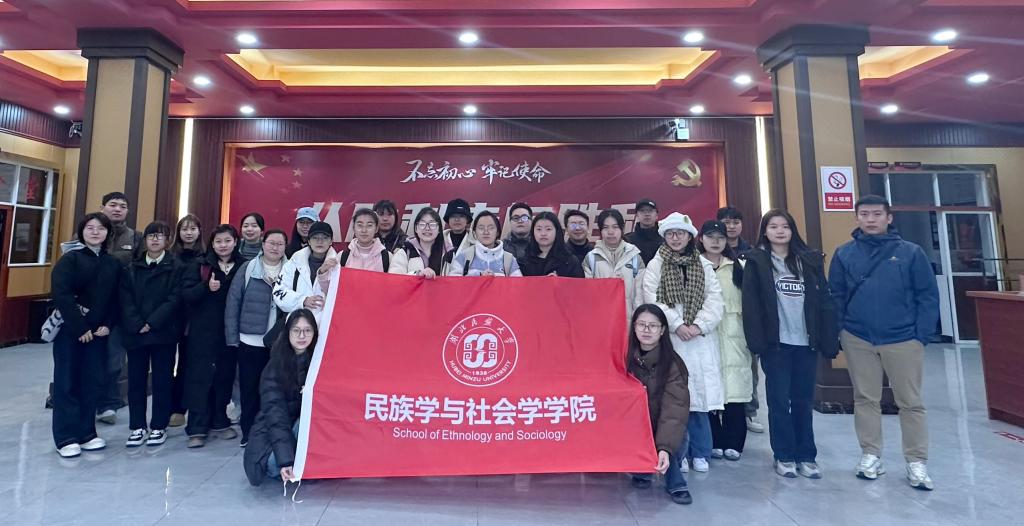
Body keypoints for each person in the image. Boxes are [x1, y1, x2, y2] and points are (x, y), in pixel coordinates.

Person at [828, 195, 939, 490]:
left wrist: (921, 335)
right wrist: (839, 331)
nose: (870, 219)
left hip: (903, 338)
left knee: (910, 402)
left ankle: (916, 461)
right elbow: (836, 295)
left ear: (889, 218)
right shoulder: (844, 254)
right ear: (857, 218)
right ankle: (870, 454)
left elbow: (927, 295)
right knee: (865, 398)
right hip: (858, 337)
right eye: (864, 214)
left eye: (877, 214)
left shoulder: (911, 253)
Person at [741, 210, 838, 479]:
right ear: (765, 231)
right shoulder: (757, 261)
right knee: (779, 402)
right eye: (773, 226)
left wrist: (828, 338)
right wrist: (757, 342)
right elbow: (750, 305)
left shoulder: (809, 260)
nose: (780, 231)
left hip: (806, 343)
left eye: (785, 226)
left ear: (793, 230)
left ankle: (807, 455)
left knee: (803, 401)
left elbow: (825, 301)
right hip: (776, 345)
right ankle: (783, 454)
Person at [642, 212, 724, 474]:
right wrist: (676, 324)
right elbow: (652, 297)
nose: (675, 238)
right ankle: (679, 452)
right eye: (670, 233)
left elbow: (715, 299)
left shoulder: (703, 264)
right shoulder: (656, 264)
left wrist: (699, 325)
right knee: (674, 400)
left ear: (690, 237)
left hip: (699, 340)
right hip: (672, 338)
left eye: (680, 233)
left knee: (699, 400)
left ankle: (701, 451)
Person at [50, 212, 121, 458]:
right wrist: (79, 328)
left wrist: (108, 324)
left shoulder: (113, 264)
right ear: (82, 232)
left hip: (99, 334)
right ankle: (65, 437)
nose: (95, 232)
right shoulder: (70, 259)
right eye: (90, 227)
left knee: (91, 382)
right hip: (71, 332)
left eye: (100, 228)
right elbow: (61, 295)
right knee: (66, 382)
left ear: (107, 233)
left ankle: (87, 433)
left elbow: (116, 298)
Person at [119, 221, 182, 448]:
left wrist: (152, 322)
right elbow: (125, 298)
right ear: (144, 240)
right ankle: (137, 426)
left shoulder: (175, 266)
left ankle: (159, 425)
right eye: (151, 235)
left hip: (163, 332)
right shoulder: (131, 267)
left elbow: (175, 298)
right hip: (135, 332)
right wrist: (138, 323)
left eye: (160, 236)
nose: (155, 240)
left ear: (168, 240)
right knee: (136, 380)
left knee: (162, 380)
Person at [182, 224, 243, 448]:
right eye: (218, 241)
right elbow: (186, 294)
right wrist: (206, 287)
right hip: (202, 332)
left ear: (235, 242)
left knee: (224, 376)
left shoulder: (244, 265)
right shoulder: (200, 264)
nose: (223, 245)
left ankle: (220, 420)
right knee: (199, 377)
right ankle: (197, 427)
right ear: (212, 244)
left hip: (230, 331)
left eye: (227, 241)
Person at [226, 229, 288, 447]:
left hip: (279, 341)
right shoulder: (248, 268)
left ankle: (271, 432)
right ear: (263, 243)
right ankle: (249, 432)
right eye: (271, 243)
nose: (275, 247)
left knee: (275, 390)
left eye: (280, 244)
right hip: (250, 339)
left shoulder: (291, 269)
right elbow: (233, 302)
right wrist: (232, 336)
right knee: (249, 388)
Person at [627, 304, 693, 505]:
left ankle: (675, 481)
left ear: (663, 330)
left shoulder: (673, 364)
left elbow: (674, 411)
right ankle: (642, 470)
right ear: (634, 327)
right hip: (636, 426)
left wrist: (664, 447)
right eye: (641, 325)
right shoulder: (625, 358)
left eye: (653, 326)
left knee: (670, 437)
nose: (646, 330)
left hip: (662, 424)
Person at [243, 309, 318, 486]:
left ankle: (304, 465)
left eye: (307, 330)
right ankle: (294, 464)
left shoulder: (317, 362)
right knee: (273, 464)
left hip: (297, 430)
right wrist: (286, 461)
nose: (302, 336)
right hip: (273, 434)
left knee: (312, 414)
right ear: (287, 333)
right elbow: (276, 419)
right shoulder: (274, 368)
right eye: (296, 330)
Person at [699, 220, 751, 461]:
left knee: (735, 388)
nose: (716, 241)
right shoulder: (694, 266)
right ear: (701, 239)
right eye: (710, 236)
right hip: (706, 335)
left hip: (734, 335)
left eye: (720, 237)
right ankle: (714, 439)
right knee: (708, 386)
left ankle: (734, 441)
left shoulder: (739, 267)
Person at [93, 192, 143, 425]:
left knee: (114, 357)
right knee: (88, 355)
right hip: (91, 306)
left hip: (121, 306)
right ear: (102, 207)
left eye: (122, 206)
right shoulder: (89, 233)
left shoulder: (136, 237)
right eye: (112, 205)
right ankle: (87, 399)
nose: (117, 209)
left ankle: (108, 402)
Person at [718, 205, 763, 434]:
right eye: (726, 222)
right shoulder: (711, 253)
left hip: (745, 319)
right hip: (719, 319)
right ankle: (721, 412)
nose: (731, 226)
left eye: (735, 222)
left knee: (747, 367)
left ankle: (749, 412)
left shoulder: (752, 252)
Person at [168, 214, 204, 428]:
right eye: (184, 229)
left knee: (186, 364)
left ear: (199, 232)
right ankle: (166, 407)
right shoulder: (169, 256)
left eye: (192, 229)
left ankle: (180, 408)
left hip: (193, 319)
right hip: (169, 316)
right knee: (166, 365)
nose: (188, 233)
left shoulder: (205, 257)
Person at [582, 209, 645, 323]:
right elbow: (588, 296)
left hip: (628, 322)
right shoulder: (591, 258)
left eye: (615, 227)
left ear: (622, 229)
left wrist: (638, 322)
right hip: (601, 321)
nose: (610, 232)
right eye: (605, 228)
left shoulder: (634, 257)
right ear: (600, 231)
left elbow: (639, 297)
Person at [273, 221, 339, 318]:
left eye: (325, 238)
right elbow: (278, 291)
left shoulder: (338, 265)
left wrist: (323, 273)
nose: (320, 241)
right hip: (297, 321)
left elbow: (340, 298)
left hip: (325, 322)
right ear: (309, 241)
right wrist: (302, 300)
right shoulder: (294, 262)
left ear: (331, 241)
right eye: (315, 238)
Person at [445, 211, 522, 277]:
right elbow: (454, 283)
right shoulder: (463, 256)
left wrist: (496, 279)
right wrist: (478, 276)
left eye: (491, 228)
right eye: (481, 228)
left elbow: (518, 285)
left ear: (497, 232)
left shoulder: (509, 259)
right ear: (474, 232)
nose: (486, 232)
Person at [518, 211, 584, 278]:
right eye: (539, 229)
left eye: (548, 229)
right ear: (533, 232)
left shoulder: (570, 261)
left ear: (557, 231)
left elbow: (579, 284)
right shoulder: (523, 260)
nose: (543, 233)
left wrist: (558, 281)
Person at [389, 207, 451, 278]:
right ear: (416, 228)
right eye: (422, 224)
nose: (427, 228)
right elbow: (394, 277)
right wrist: (417, 274)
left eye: (432, 224)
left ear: (439, 229)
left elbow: (457, 278)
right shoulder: (405, 252)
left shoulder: (449, 252)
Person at [625, 198, 663, 265]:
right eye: (642, 211)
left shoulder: (664, 239)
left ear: (657, 215)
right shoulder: (627, 240)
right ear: (637, 215)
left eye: (650, 210)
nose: (647, 214)